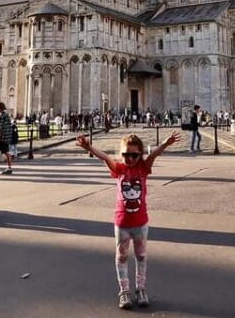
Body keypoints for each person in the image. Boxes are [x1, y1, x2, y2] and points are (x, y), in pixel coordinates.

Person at [76, 131, 181, 310]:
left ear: (140, 154)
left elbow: (154, 154)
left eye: (134, 155)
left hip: (140, 223)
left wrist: (165, 143)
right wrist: (89, 148)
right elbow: (105, 157)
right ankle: (124, 291)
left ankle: (141, 289)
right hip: (122, 223)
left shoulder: (143, 168)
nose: (129, 158)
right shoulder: (119, 169)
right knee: (121, 257)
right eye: (125, 154)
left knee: (141, 256)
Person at [0, 102, 14, 174]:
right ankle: (9, 168)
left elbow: (1, 126)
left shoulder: (1, 115)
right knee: (7, 153)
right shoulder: (6, 115)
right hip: (6, 137)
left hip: (2, 138)